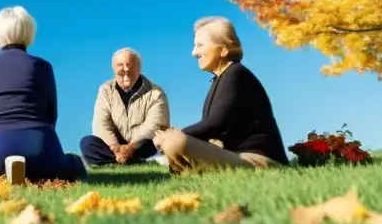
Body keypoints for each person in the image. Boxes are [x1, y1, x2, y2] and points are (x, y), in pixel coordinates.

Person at [154, 16, 288, 171]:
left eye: (200, 45)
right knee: (174, 140)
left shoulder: (236, 74)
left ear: (224, 49)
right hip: (235, 155)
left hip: (259, 160)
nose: (193, 52)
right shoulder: (221, 78)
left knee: (175, 141)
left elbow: (215, 124)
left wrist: (173, 135)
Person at [0, 6, 86, 181]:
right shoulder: (42, 67)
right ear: (29, 32)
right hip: (40, 149)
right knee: (75, 163)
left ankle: (9, 166)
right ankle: (30, 164)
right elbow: (51, 114)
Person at [79, 48, 170, 166]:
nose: (125, 69)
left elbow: (154, 125)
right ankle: (128, 161)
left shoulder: (156, 93)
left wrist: (131, 147)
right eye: (120, 65)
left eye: (130, 65)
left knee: (152, 141)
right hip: (114, 148)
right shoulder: (105, 90)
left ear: (139, 69)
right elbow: (102, 124)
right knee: (87, 143)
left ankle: (120, 161)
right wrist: (115, 148)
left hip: (142, 146)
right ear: (114, 68)